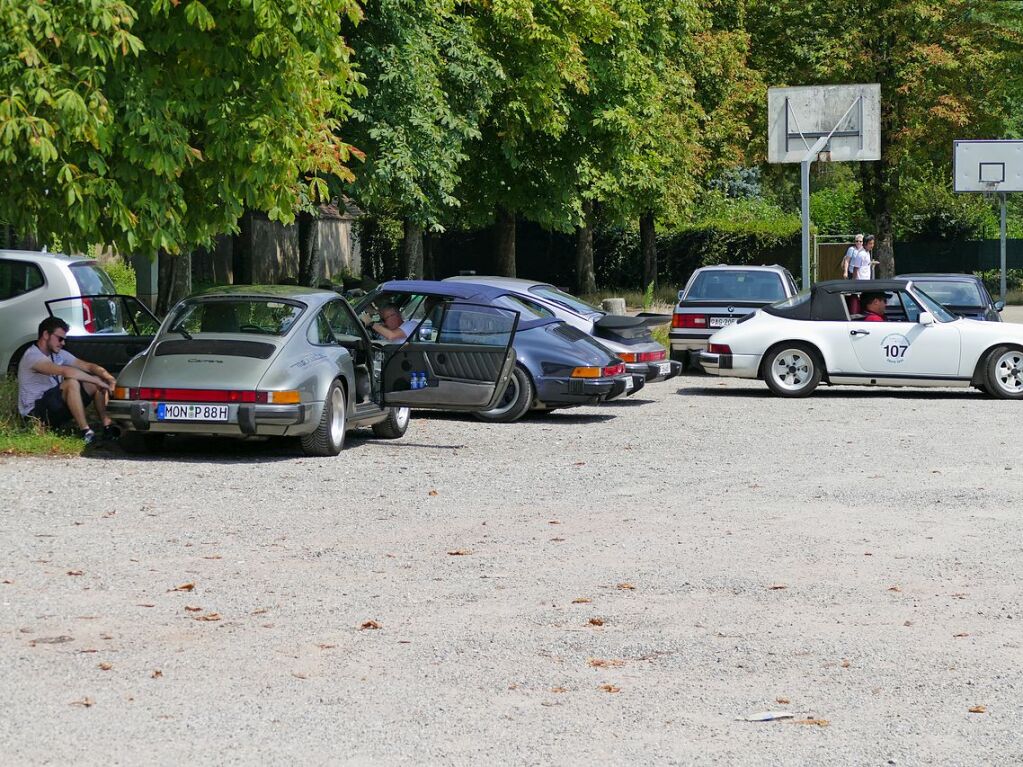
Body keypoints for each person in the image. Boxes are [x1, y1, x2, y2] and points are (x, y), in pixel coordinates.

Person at [17, 317, 119, 444]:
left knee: (94, 383)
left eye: (64, 339)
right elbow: (66, 371)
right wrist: (98, 381)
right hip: (35, 413)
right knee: (71, 382)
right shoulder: (32, 356)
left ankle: (107, 427)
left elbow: (88, 366)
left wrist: (110, 379)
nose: (63, 343)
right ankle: (85, 432)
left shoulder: (58, 354)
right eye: (60, 338)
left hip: (53, 406)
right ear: (45, 334)